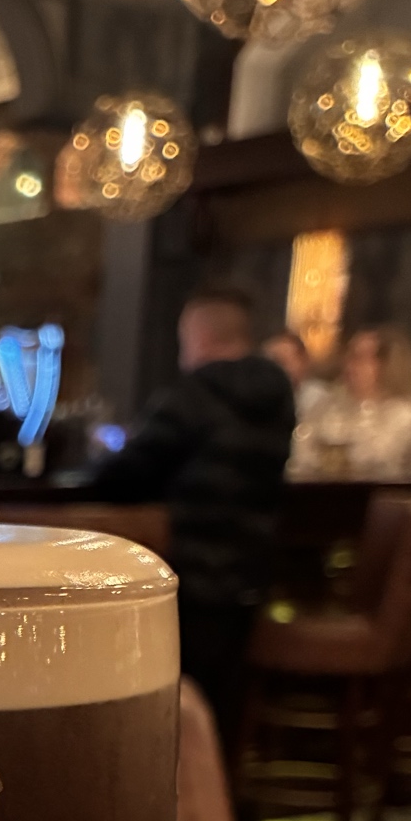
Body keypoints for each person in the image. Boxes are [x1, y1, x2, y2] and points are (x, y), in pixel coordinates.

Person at [90, 285, 295, 752]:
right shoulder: (278, 392)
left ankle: (180, 786)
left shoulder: (197, 392)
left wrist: (102, 459)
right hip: (254, 574)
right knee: (224, 705)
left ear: (198, 336)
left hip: (194, 574)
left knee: (182, 705)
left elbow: (123, 477)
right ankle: (224, 786)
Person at [290, 325, 411, 480]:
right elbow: (301, 448)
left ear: (385, 365)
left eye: (359, 358)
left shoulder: (404, 414)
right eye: (348, 355)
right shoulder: (327, 405)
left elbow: (379, 458)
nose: (348, 365)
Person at [262, 329, 326, 421]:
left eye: (282, 362)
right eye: (271, 363)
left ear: (303, 361)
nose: (276, 369)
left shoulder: (320, 399)